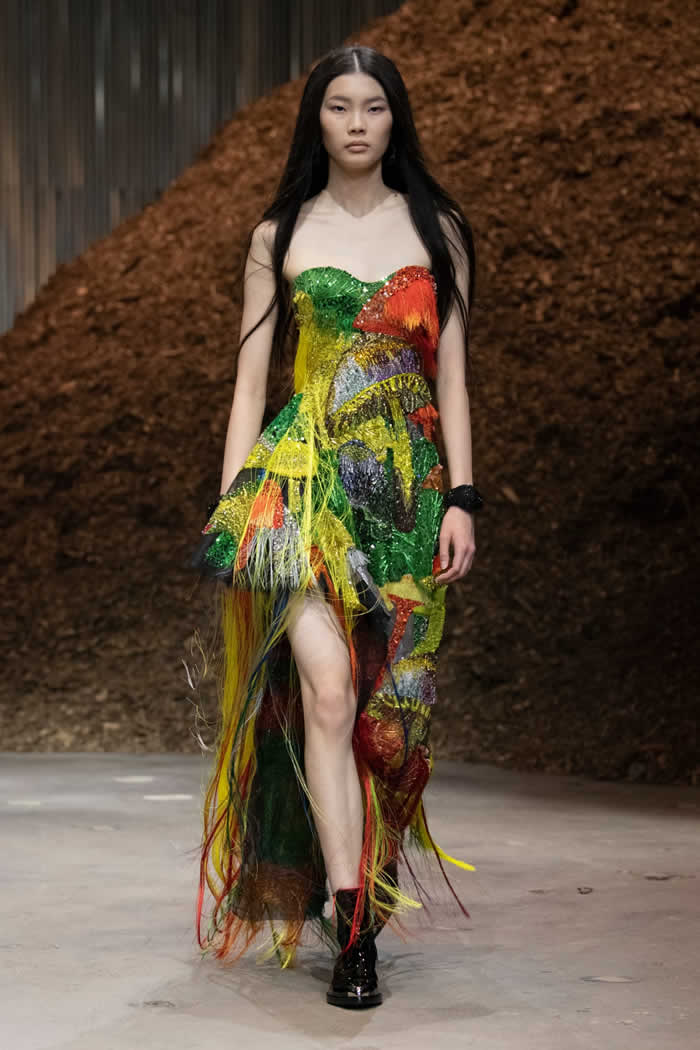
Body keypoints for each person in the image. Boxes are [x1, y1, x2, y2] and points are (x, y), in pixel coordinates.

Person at [185, 43, 483, 1009]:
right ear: (315, 119)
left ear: (397, 119)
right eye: (339, 106)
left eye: (375, 107)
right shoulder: (279, 233)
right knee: (325, 696)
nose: (357, 123)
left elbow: (453, 377)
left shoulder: (438, 229)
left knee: (392, 727)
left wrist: (463, 499)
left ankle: (358, 883)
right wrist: (236, 515)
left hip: (407, 497)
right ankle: (354, 932)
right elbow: (249, 384)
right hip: (304, 489)